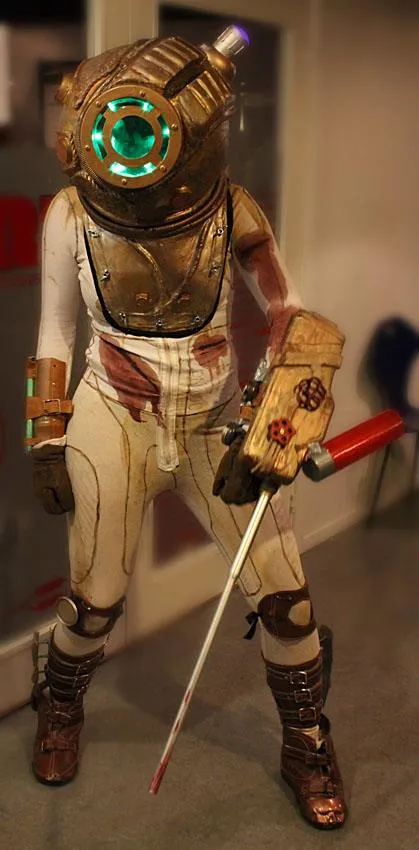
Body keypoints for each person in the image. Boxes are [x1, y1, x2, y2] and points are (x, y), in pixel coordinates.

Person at [26, 27, 347, 829]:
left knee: (286, 603)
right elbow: (54, 331)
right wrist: (47, 436)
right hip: (115, 411)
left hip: (216, 419)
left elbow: (292, 321)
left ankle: (306, 741)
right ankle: (59, 705)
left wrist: (275, 429)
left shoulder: (232, 210)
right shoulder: (71, 214)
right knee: (94, 603)